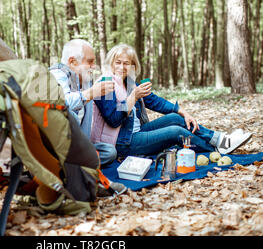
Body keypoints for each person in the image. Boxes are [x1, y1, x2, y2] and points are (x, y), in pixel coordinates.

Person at [91, 43, 252, 158]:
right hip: (122, 143)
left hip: (136, 132)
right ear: (111, 63)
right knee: (176, 132)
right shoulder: (105, 85)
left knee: (177, 118)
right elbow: (113, 120)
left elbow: (156, 102)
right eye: (118, 62)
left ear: (133, 66)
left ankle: (221, 139)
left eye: (126, 63)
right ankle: (215, 150)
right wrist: (133, 97)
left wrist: (184, 112)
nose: (122, 67)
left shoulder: (130, 83)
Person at [49, 39, 127, 196]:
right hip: (55, 148)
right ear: (72, 62)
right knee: (70, 113)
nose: (94, 67)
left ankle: (83, 163)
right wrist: (92, 93)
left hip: (76, 147)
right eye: (90, 62)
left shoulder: (82, 81)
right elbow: (63, 103)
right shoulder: (57, 75)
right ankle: (84, 174)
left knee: (110, 152)